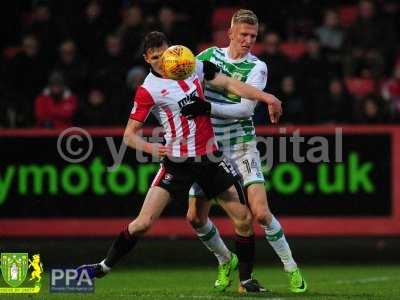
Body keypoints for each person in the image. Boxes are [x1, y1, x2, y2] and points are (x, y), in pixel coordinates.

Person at [77, 32, 282, 287]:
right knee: (142, 224)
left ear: (170, 49)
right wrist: (153, 150)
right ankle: (103, 267)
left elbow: (229, 84)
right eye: (154, 58)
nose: (161, 61)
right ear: (146, 59)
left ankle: (247, 279)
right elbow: (129, 136)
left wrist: (266, 97)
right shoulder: (148, 90)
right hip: (177, 163)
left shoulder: (190, 65)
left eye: (163, 54)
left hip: (209, 159)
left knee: (243, 218)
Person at [181, 9, 307, 293]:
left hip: (240, 144)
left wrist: (208, 107)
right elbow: (185, 83)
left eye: (253, 36)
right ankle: (226, 259)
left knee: (260, 213)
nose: (248, 40)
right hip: (208, 147)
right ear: (230, 33)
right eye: (243, 35)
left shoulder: (257, 67)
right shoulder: (208, 57)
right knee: (194, 218)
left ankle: (291, 267)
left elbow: (245, 109)